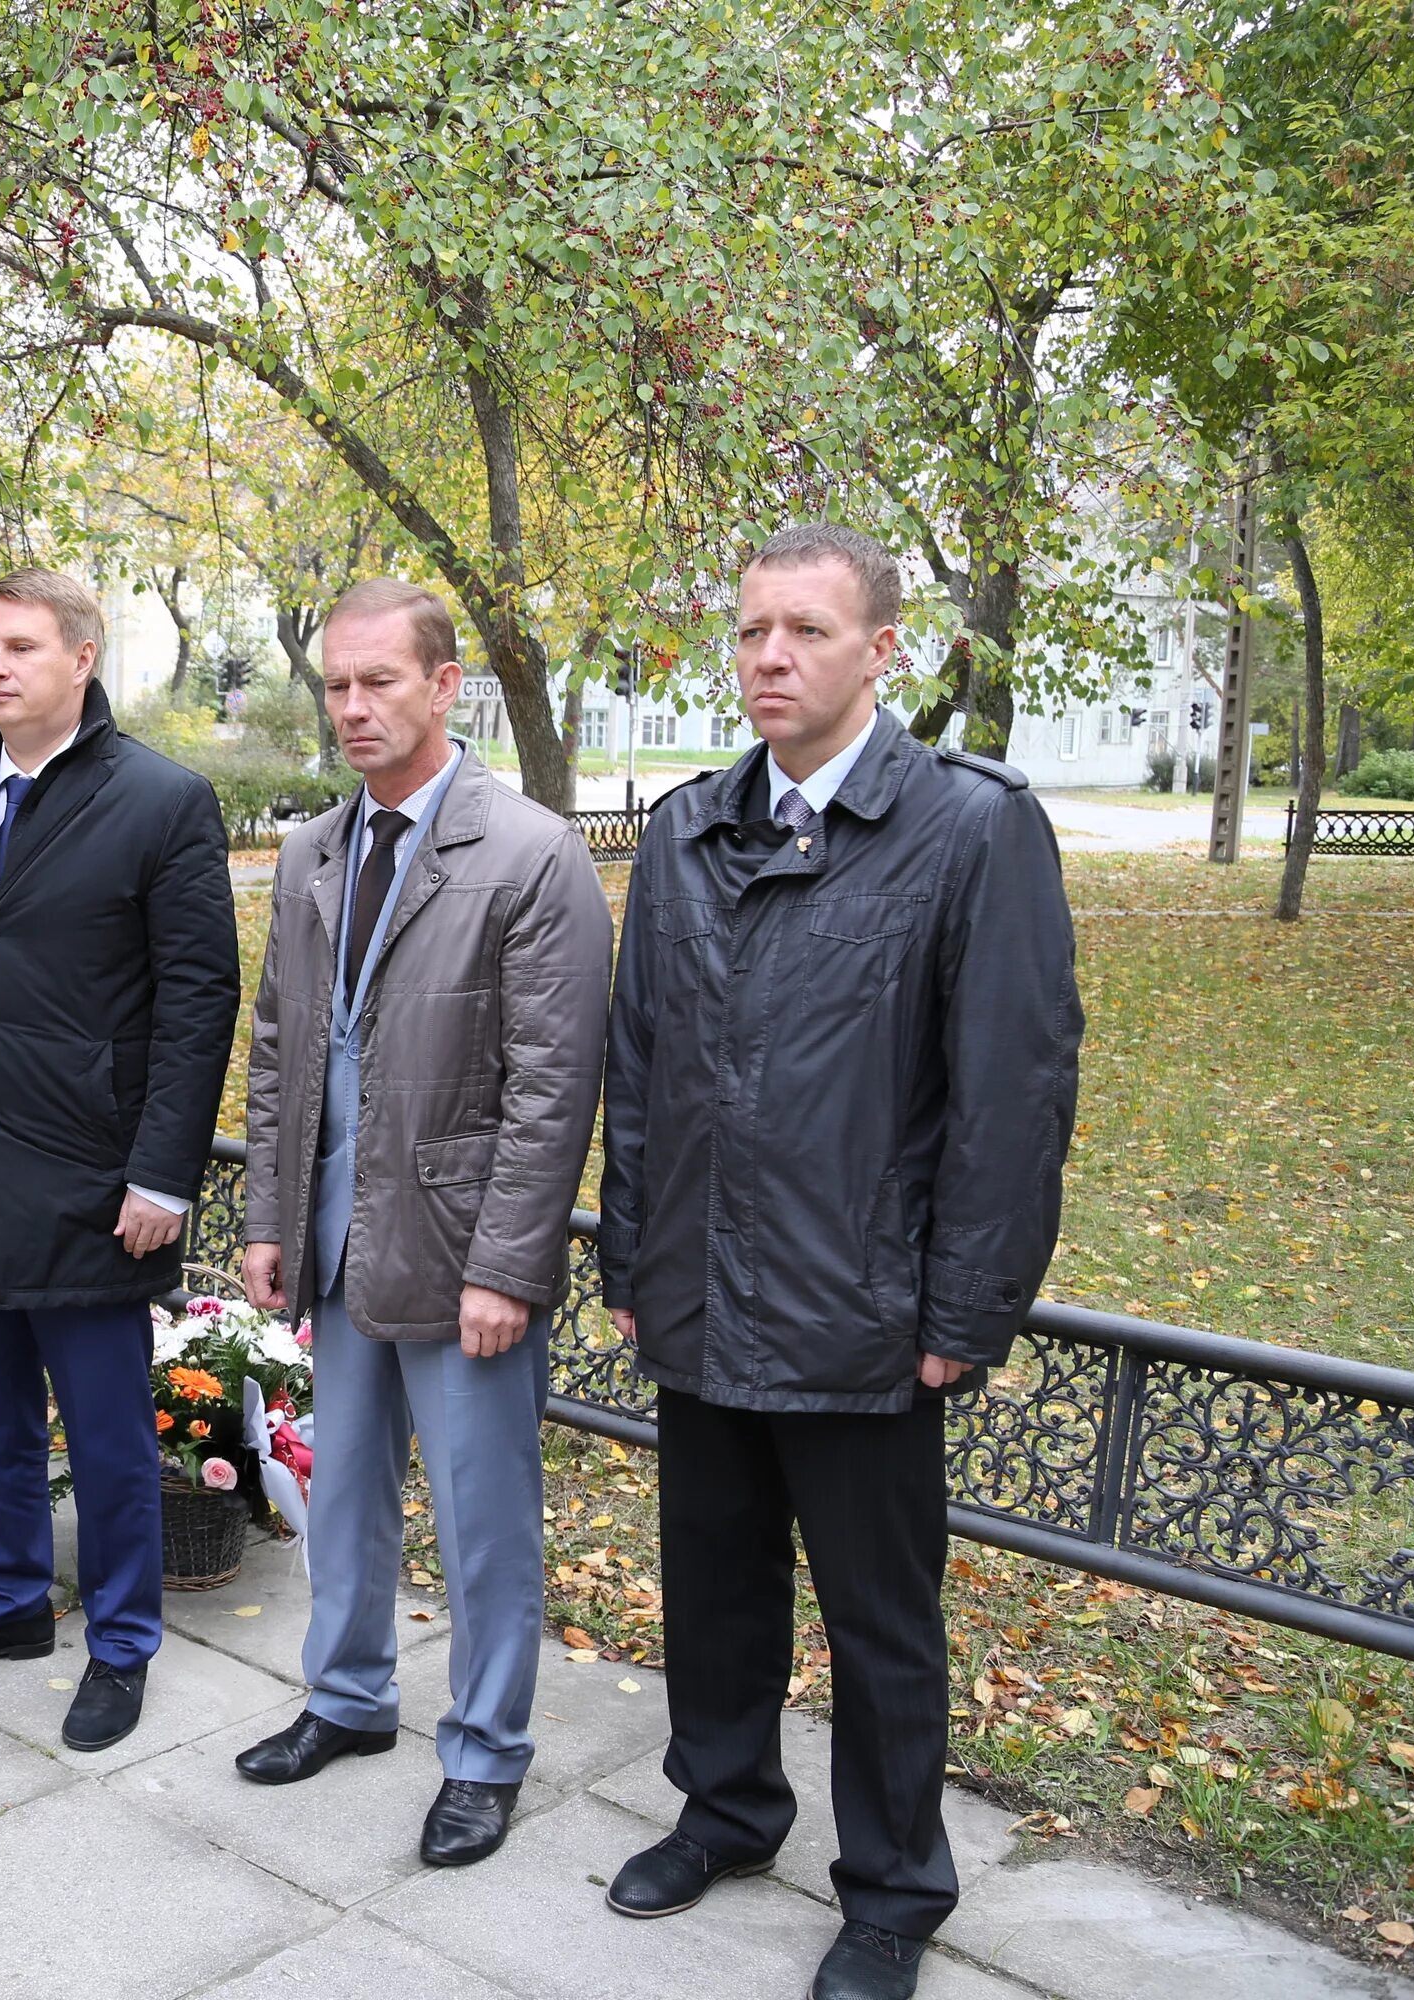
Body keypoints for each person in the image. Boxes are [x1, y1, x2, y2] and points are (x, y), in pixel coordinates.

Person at [596, 525, 1082, 2000]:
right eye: (750, 632)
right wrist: (631, 1257)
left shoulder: (968, 828)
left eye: (805, 631)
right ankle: (729, 1810)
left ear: (883, 652)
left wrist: (968, 1309)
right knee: (716, 1590)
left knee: (880, 1627)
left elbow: (1014, 1091)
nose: (768, 658)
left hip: (863, 1313)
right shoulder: (685, 830)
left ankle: (893, 1890)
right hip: (698, 1291)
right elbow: (643, 1063)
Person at [232, 580, 609, 1867]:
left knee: (481, 1511)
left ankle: (487, 1750)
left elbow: (554, 1083)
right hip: (335, 1237)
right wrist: (269, 1214)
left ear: (446, 686)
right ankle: (346, 1696)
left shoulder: (531, 852)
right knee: (341, 1496)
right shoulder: (312, 849)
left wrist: (510, 1262)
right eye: (336, 684)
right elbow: (282, 1044)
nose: (351, 706)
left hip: (461, 1252)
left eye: (378, 681)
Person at [0, 568, 239, 1752]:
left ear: (83, 656)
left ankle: (122, 1639)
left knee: (107, 1428)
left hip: (91, 1173)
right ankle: (7, 1599)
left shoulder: (162, 799)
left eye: (21, 645)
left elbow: (197, 999)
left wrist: (163, 1173)